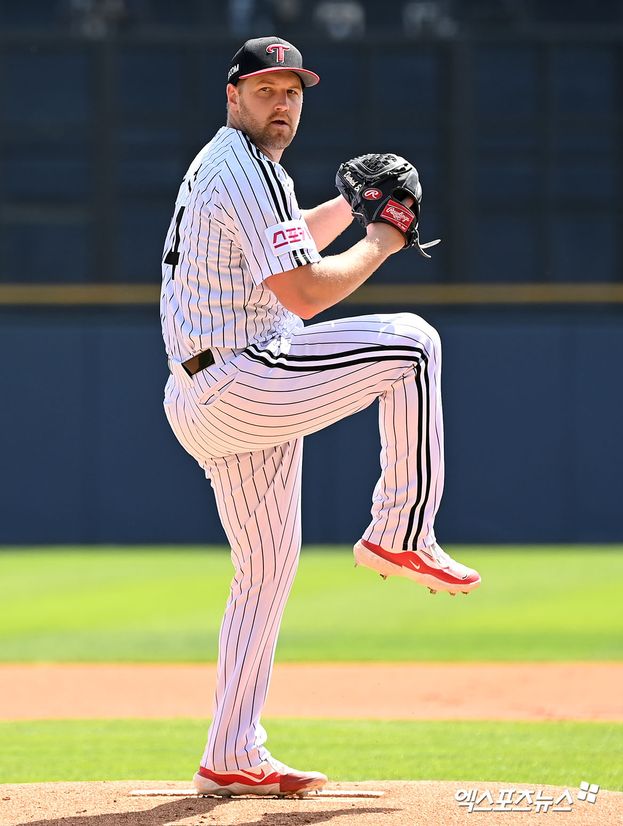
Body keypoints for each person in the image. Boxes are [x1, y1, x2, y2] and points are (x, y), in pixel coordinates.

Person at [160, 35, 481, 798]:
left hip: (209, 390)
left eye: (293, 91)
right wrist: (381, 235)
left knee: (265, 572)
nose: (282, 103)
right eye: (266, 89)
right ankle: (400, 531)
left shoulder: (241, 170)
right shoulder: (243, 165)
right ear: (232, 95)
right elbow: (303, 293)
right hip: (240, 377)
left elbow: (281, 249)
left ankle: (230, 748)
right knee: (411, 344)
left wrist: (347, 205)